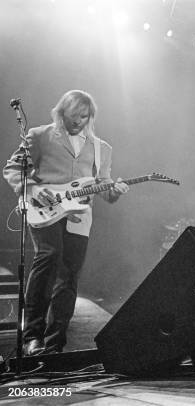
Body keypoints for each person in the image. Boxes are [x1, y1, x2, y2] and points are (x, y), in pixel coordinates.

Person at [3, 90, 129, 355]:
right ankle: (32, 337)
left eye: (84, 117)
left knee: (69, 276)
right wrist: (30, 191)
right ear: (61, 113)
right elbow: (13, 169)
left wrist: (114, 192)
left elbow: (103, 188)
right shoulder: (39, 135)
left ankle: (54, 343)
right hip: (43, 208)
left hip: (79, 217)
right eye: (73, 116)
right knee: (49, 256)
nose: (78, 121)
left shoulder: (101, 148)